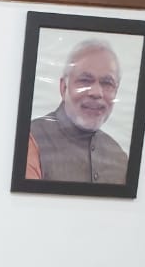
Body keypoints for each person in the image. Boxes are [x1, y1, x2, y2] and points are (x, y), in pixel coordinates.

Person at [26, 39, 128, 183]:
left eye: (107, 83)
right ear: (64, 88)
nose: (96, 92)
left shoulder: (119, 158)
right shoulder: (31, 139)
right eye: (85, 80)